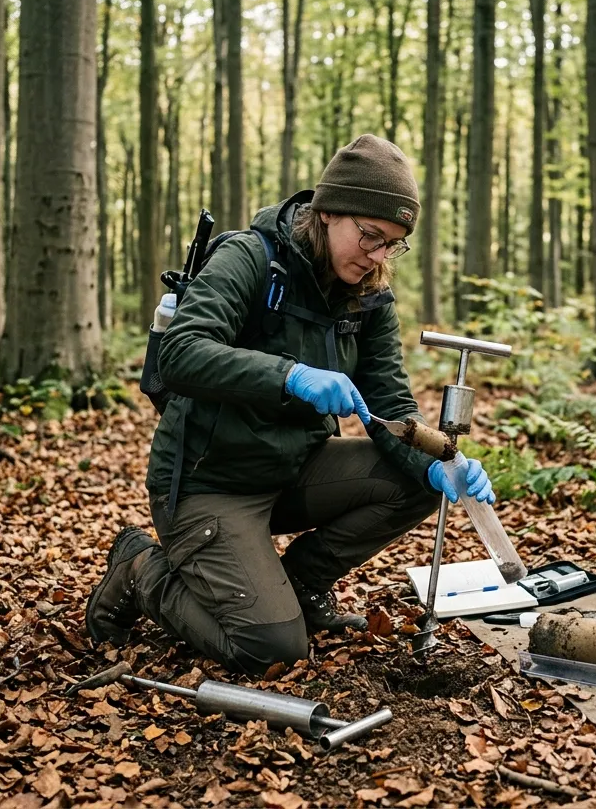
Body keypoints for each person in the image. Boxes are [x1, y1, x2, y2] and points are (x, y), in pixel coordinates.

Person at [84, 135, 496, 676]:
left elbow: (390, 399)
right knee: (271, 650)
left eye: (392, 244)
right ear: (326, 213)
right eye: (368, 235)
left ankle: (302, 584)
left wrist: (440, 462)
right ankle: (142, 569)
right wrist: (290, 376)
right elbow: (182, 352)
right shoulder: (249, 257)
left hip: (292, 469)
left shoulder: (369, 295)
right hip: (209, 483)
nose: (376, 256)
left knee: (417, 479)